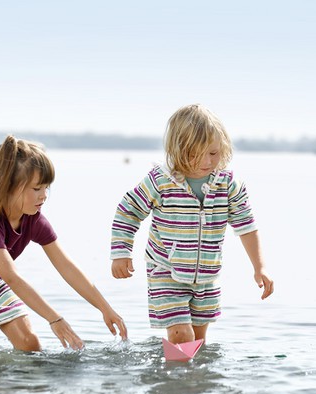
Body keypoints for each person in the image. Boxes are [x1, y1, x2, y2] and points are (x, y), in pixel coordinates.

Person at [0, 135, 127, 352]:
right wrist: (55, 319)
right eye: (36, 188)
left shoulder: (34, 219)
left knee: (30, 343)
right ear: (8, 187)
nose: (44, 196)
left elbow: (66, 266)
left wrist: (105, 309)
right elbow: (12, 277)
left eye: (46, 188)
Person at [110, 104, 273, 345]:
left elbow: (246, 225)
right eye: (195, 154)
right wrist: (121, 252)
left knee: (198, 339)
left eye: (213, 153)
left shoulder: (228, 185)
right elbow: (128, 211)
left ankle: (193, 382)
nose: (206, 162)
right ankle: (175, 380)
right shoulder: (161, 181)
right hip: (165, 270)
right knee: (181, 335)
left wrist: (259, 267)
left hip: (207, 275)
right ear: (178, 150)